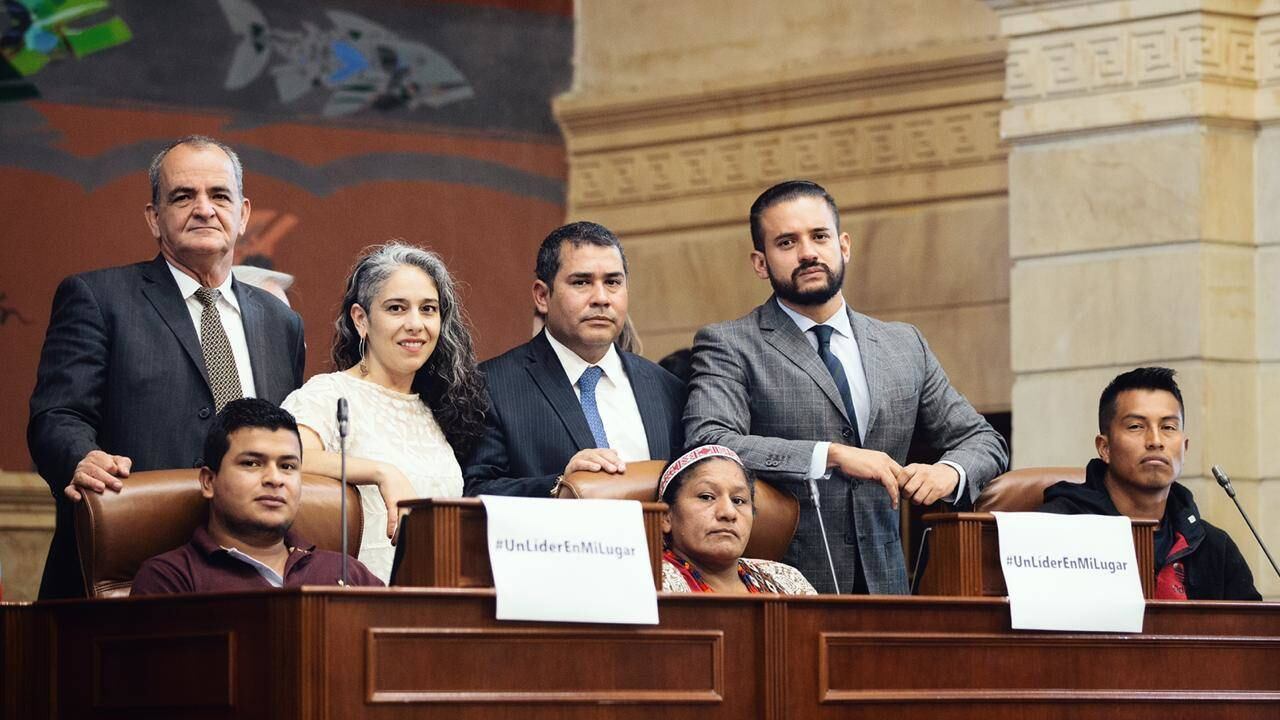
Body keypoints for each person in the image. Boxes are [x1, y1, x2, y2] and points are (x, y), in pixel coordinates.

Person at [684, 180, 1009, 595]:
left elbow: (983, 439)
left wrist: (950, 471)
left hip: (889, 586)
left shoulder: (903, 344)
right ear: (760, 262)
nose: (807, 253)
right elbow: (707, 441)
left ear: (844, 245)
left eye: (819, 236)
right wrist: (830, 456)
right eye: (786, 242)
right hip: (784, 589)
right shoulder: (729, 343)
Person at [28, 135, 305, 599]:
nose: (203, 209)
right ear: (155, 219)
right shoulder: (98, 298)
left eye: (219, 196)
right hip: (127, 567)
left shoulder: (282, 322)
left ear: (244, 215)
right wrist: (80, 457)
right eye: (183, 196)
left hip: (249, 576)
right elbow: (56, 416)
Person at [281, 242, 486, 582]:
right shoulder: (329, 393)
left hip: (435, 600)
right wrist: (381, 472)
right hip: (355, 600)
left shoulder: (435, 409)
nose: (415, 324)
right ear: (361, 319)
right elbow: (287, 459)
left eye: (428, 309)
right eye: (396, 308)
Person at [464, 221, 684, 497]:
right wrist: (559, 487)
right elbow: (473, 492)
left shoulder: (667, 389)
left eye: (613, 282)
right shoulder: (491, 385)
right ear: (543, 296)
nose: (601, 298)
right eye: (582, 282)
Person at [1040, 367, 1260, 601]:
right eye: (1136, 426)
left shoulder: (1215, 547)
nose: (1155, 441)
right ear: (1105, 448)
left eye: (1168, 427)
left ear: (1184, 448)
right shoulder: (1055, 529)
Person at [131, 399, 382, 594]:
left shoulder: (347, 574)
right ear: (209, 481)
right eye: (252, 463)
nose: (275, 478)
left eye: (288, 466)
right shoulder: (171, 579)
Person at [659, 445, 816, 594]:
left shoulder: (788, 581)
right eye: (707, 497)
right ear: (666, 516)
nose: (728, 512)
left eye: (738, 500)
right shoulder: (650, 583)